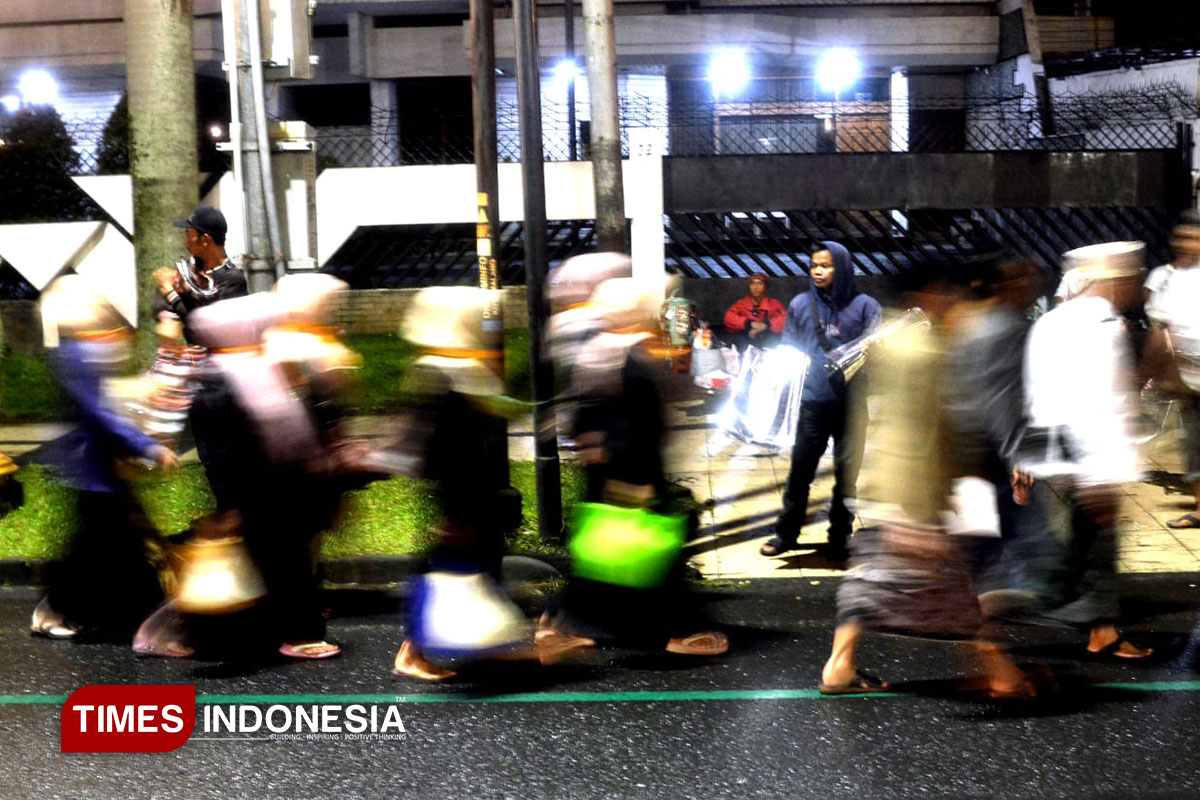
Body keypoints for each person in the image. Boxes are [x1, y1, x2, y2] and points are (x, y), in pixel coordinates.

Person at [819, 260, 1035, 698]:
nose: (956, 300)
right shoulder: (926, 352)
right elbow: (930, 435)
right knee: (952, 586)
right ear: (928, 294)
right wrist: (933, 500)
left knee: (873, 580)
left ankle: (839, 667)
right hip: (918, 490)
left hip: (889, 484)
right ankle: (1002, 674)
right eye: (948, 291)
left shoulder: (893, 341)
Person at [538, 277, 729, 658]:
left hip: (606, 472)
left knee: (606, 556)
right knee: (645, 553)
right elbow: (638, 426)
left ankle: (565, 623)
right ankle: (664, 634)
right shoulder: (634, 358)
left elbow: (582, 413)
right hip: (631, 473)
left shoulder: (597, 349)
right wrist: (634, 477)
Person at [1018, 241, 1152, 659]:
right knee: (1085, 550)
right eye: (1132, 278)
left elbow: (1033, 393)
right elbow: (1103, 404)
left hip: (1050, 454)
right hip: (1084, 459)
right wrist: (1101, 476)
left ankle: (1101, 629)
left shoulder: (1050, 322)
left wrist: (1023, 460)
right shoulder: (1103, 327)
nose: (1137, 286)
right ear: (1114, 281)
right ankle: (1010, 613)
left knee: (1083, 547)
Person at [393, 287, 531, 680]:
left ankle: (491, 646)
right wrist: (454, 511)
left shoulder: (461, 367)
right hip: (460, 497)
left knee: (474, 569)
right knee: (450, 572)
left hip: (473, 494)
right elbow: (441, 451)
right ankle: (412, 653)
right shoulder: (441, 373)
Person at [30, 275, 178, 641]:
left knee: (108, 539)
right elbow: (98, 411)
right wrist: (147, 445)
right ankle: (55, 610)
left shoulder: (78, 348)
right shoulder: (73, 353)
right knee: (94, 543)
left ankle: (137, 612)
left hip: (97, 462)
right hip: (90, 465)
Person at [761, 242, 882, 561]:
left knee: (847, 477)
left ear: (841, 268)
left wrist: (877, 350)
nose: (817, 271)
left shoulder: (866, 307)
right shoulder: (801, 304)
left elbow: (880, 358)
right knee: (800, 473)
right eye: (814, 265)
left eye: (825, 265)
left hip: (852, 406)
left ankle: (840, 537)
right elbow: (789, 348)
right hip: (812, 402)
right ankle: (786, 534)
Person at [1144, 216, 1200, 530]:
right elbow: (1162, 328)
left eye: (1192, 238)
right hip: (1189, 380)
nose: (1185, 244)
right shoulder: (1171, 279)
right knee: (1194, 446)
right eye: (1181, 238)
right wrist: (1158, 372)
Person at [723, 273, 785, 351]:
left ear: (765, 287)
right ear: (749, 286)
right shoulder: (741, 304)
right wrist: (749, 324)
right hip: (746, 342)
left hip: (768, 342)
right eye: (753, 283)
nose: (756, 287)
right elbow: (728, 318)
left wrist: (766, 325)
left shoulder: (774, 304)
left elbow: (785, 320)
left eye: (760, 283)